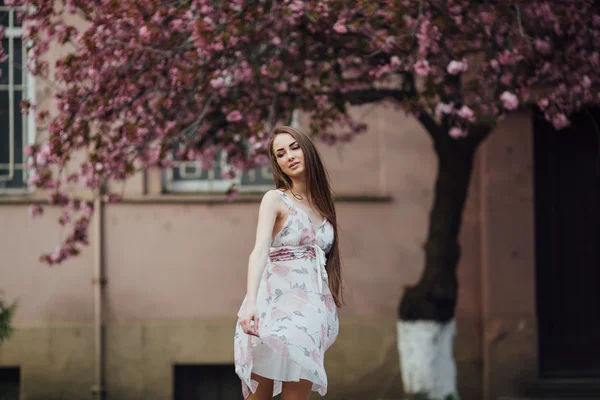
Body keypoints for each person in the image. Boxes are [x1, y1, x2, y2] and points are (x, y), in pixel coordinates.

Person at [234, 125, 343, 400]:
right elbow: (259, 251)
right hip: (275, 307)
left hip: (312, 310)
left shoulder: (323, 204)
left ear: (307, 149)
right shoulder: (275, 199)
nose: (290, 156)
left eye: (294, 147)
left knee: (297, 395)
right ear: (278, 164)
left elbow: (326, 260)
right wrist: (250, 303)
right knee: (260, 395)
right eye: (280, 153)